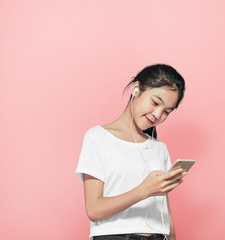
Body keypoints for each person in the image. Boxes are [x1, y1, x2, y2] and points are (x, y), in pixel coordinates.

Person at [75, 64, 187, 240]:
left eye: (166, 112)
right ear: (136, 89)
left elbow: (164, 209)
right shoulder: (98, 138)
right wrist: (144, 190)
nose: (158, 114)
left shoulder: (159, 148)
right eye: (155, 102)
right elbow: (94, 210)